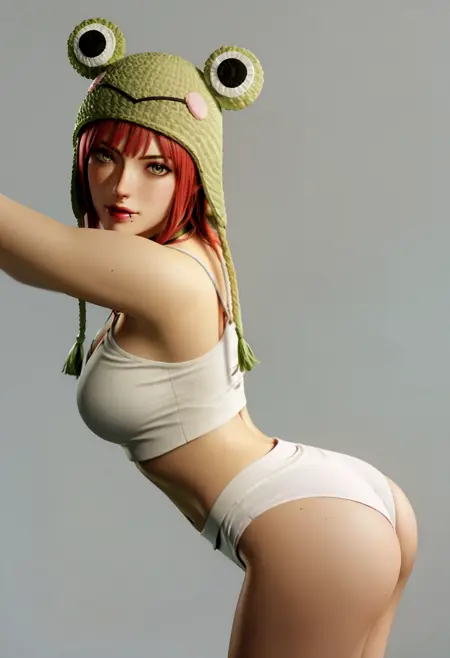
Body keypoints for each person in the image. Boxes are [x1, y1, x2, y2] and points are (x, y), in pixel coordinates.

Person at [0, 17, 418, 658]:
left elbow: (29, 248)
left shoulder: (163, 274)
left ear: (193, 172)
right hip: (336, 503)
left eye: (156, 165)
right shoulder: (193, 248)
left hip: (310, 525)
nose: (122, 187)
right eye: (105, 155)